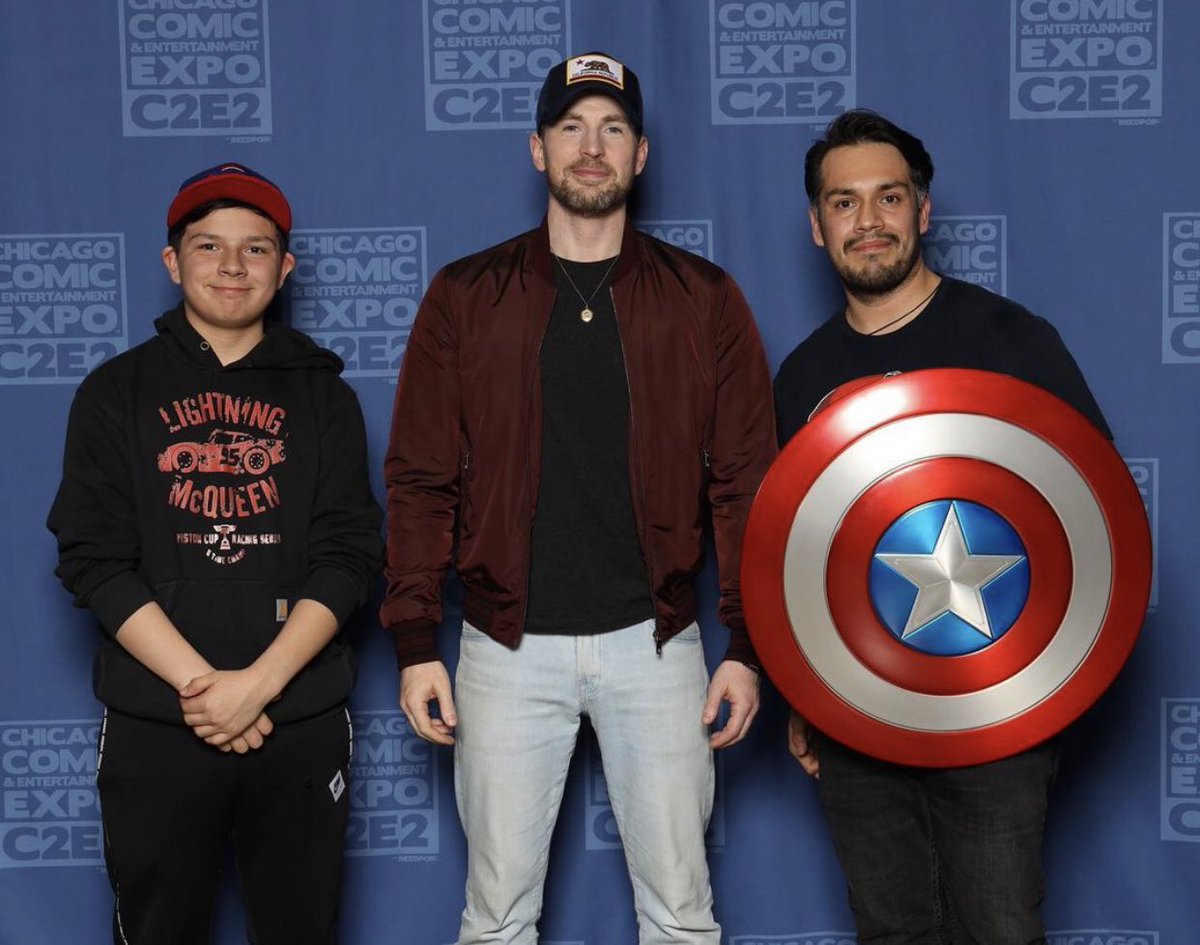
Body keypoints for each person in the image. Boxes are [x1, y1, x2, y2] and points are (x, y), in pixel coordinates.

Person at [381, 52, 776, 945]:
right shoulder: (465, 296)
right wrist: (415, 637)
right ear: (537, 150)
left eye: (612, 129)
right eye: (571, 128)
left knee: (682, 913)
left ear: (641, 155)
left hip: (660, 644)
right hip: (503, 647)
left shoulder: (704, 300)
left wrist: (747, 641)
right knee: (496, 918)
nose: (590, 148)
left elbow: (747, 483)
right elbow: (420, 476)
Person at [773, 110, 1111, 944]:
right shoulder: (804, 377)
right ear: (818, 228)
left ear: (922, 210)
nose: (868, 221)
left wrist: (1052, 680)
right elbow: (791, 553)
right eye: (843, 204)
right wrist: (805, 690)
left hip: (998, 713)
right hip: (857, 719)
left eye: (888, 197)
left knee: (998, 926)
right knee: (890, 930)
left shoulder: (1010, 341)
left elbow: (1094, 517)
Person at [47, 162, 383, 945]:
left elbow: (349, 553)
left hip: (295, 719)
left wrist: (258, 686)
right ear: (172, 262)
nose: (232, 266)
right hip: (158, 718)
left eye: (255, 248)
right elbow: (92, 557)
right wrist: (208, 690)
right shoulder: (113, 391)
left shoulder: (325, 397)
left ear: (286, 267)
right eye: (208, 246)